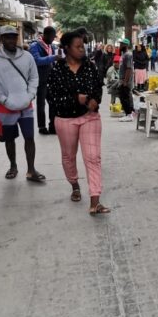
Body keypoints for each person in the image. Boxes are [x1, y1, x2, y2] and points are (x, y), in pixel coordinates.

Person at [46, 30, 110, 215]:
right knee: (68, 157)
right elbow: (52, 98)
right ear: (67, 48)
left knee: (93, 157)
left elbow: (98, 88)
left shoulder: (90, 67)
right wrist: (76, 98)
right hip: (65, 119)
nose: (82, 49)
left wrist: (95, 100)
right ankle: (74, 185)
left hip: (89, 118)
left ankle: (95, 201)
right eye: (78, 46)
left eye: (83, 46)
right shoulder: (57, 69)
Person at [0, 26, 46, 182]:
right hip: (6, 107)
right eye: (7, 37)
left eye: (13, 37)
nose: (11, 40)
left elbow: (34, 78)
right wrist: (4, 99)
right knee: (9, 139)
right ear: (0, 39)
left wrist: (30, 95)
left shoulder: (27, 56)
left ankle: (31, 170)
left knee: (29, 138)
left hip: (26, 106)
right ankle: (13, 166)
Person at [28, 26, 60, 134]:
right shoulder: (35, 46)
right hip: (40, 79)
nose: (52, 39)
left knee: (53, 102)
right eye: (52, 36)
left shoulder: (52, 46)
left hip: (51, 79)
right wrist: (53, 58)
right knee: (41, 104)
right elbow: (36, 60)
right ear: (46, 35)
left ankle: (52, 125)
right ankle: (41, 127)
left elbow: (53, 62)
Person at [117, 39, 135, 121]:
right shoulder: (123, 54)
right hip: (122, 79)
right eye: (120, 44)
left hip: (126, 80)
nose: (120, 46)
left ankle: (129, 114)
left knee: (124, 97)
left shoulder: (128, 55)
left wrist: (125, 81)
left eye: (122, 44)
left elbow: (129, 69)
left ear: (126, 45)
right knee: (124, 96)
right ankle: (129, 112)